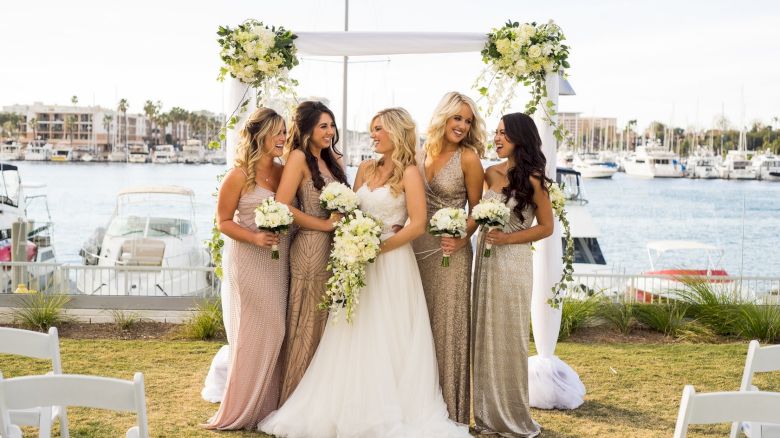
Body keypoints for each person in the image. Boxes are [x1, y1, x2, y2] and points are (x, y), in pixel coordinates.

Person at [259, 108, 470, 438]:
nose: (373, 135)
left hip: (393, 265)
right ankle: (348, 404)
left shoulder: (410, 173)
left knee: (390, 334)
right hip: (358, 262)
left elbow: (416, 224)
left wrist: (378, 248)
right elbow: (352, 212)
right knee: (352, 333)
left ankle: (392, 408)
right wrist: (354, 241)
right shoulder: (365, 169)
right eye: (371, 129)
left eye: (378, 130)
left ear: (395, 133)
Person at [204, 107, 289, 430]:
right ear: (260, 135)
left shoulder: (282, 172)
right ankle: (242, 407)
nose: (283, 138)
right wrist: (255, 237)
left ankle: (268, 404)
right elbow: (223, 222)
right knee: (256, 331)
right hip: (249, 260)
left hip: (278, 262)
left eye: (284, 132)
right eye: (278, 132)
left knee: (276, 330)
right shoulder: (238, 175)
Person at [472, 112, 554, 437]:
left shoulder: (533, 179)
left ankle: (514, 417)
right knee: (486, 335)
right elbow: (473, 214)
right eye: (496, 132)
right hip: (486, 263)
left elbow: (546, 227)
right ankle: (487, 418)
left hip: (514, 263)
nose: (497, 138)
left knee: (509, 337)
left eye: (503, 133)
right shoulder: (489, 173)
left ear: (520, 137)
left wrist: (507, 238)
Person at [411, 91, 485, 423]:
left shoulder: (468, 158)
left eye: (468, 121)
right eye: (457, 118)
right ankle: (417, 407)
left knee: (447, 329)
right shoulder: (418, 153)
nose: (462, 126)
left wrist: (461, 236)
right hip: (415, 249)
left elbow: (478, 209)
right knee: (416, 327)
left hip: (450, 254)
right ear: (443, 117)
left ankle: (452, 414)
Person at [275, 101, 349, 404]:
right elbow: (283, 206)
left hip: (335, 251)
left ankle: (322, 400)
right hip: (309, 247)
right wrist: (324, 226)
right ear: (307, 129)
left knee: (329, 322)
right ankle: (294, 398)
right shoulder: (297, 158)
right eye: (323, 126)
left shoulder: (333, 160)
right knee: (306, 320)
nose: (330, 131)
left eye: (332, 126)